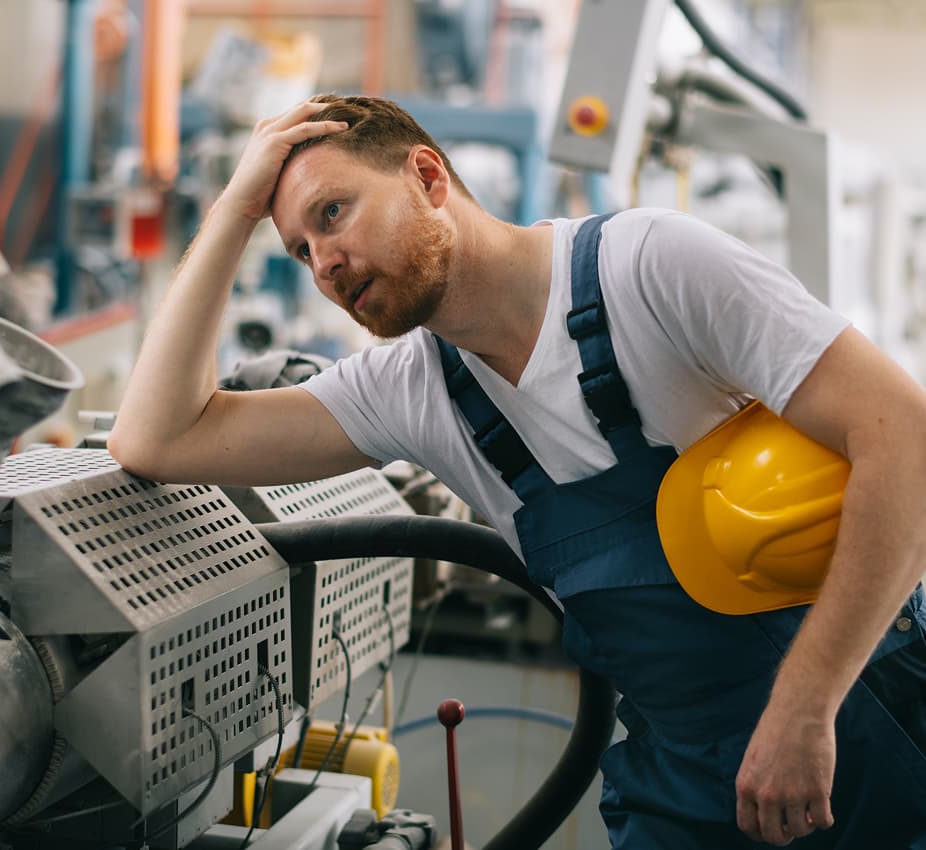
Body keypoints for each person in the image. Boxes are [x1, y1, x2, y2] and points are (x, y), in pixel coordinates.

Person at [108, 95, 926, 848]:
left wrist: (806, 705)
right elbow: (159, 439)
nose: (324, 262)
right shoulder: (413, 391)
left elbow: (905, 439)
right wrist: (230, 212)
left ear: (427, 177)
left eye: (334, 212)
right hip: (695, 772)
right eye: (299, 249)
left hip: (871, 712)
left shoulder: (649, 268)